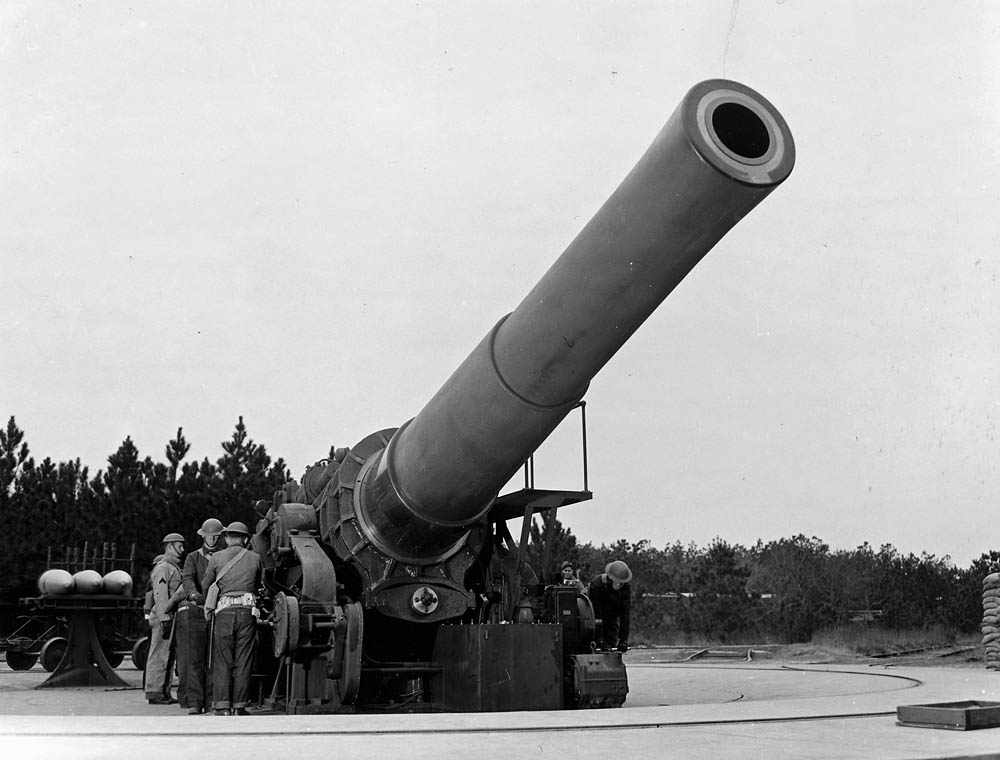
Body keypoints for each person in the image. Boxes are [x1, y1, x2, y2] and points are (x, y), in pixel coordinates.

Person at [203, 521, 263, 716]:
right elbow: (260, 586)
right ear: (245, 539)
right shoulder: (255, 558)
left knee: (223, 660)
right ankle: (239, 705)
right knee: (243, 659)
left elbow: (206, 585)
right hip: (247, 611)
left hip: (224, 612)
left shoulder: (217, 557)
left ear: (227, 537)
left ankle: (222, 706)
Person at [175, 517, 224, 715]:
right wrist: (193, 594)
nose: (211, 540)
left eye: (215, 536)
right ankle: (195, 702)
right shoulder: (193, 557)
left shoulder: (223, 556)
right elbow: (187, 578)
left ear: (220, 537)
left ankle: (212, 700)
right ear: (203, 536)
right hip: (196, 610)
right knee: (194, 659)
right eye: (208, 536)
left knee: (214, 658)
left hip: (217, 610)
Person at [144, 533, 187, 705]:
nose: (182, 549)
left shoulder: (172, 567)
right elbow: (160, 595)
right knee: (159, 653)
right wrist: (164, 618)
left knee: (167, 655)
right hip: (164, 615)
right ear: (170, 546)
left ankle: (163, 691)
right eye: (179, 546)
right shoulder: (163, 568)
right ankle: (155, 691)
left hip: (168, 615)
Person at [588, 560, 632, 653]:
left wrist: (623, 640)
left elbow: (625, 615)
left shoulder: (625, 589)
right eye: (617, 582)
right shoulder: (597, 586)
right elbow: (596, 615)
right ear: (610, 579)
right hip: (594, 617)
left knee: (612, 637)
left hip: (612, 616)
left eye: (622, 583)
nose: (619, 585)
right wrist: (600, 639)